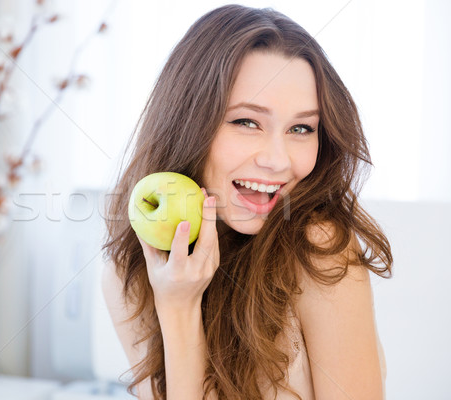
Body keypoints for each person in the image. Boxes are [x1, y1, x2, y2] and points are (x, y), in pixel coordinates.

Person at [101, 4, 392, 400]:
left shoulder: (319, 246)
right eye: (247, 122)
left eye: (302, 128)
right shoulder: (131, 276)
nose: (277, 159)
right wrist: (178, 309)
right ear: (188, 122)